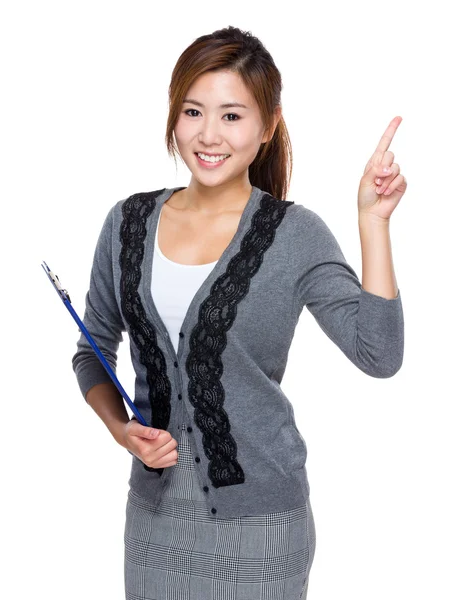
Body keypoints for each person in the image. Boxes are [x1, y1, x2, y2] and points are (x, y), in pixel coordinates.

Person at [72, 25, 405, 600]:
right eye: (193, 111)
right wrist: (122, 430)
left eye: (231, 116)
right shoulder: (126, 223)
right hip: (154, 520)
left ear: (268, 125)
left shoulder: (295, 235)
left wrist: (373, 225)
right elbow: (92, 350)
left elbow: (379, 354)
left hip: (263, 525)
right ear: (174, 117)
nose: (208, 134)